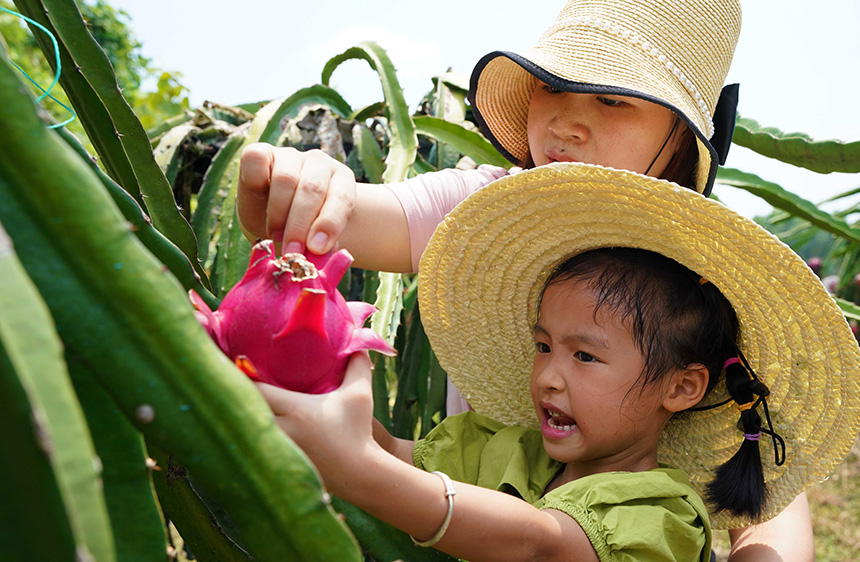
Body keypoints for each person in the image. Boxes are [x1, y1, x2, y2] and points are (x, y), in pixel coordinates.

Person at [238, 0, 818, 557]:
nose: (567, 123)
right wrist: (295, 187)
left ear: (683, 132)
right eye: (552, 86)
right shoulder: (483, 209)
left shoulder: (714, 281)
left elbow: (772, 489)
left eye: (614, 100)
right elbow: (332, 223)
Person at [255, 164, 860, 561]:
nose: (546, 373)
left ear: (682, 388)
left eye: (585, 355)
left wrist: (358, 471)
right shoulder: (501, 447)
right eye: (544, 345)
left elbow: (540, 543)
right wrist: (306, 376)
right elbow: (392, 454)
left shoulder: (663, 514)